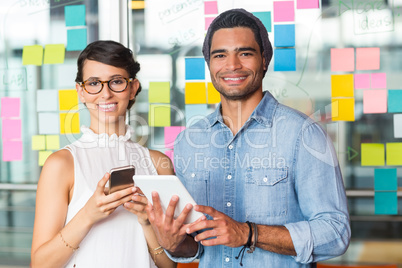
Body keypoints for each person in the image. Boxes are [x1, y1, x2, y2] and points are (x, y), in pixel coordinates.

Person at [146, 9, 351, 267]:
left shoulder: (303, 134)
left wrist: (249, 233)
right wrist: (172, 241)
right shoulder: (189, 142)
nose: (232, 65)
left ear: (264, 60)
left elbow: (336, 234)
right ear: (209, 65)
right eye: (220, 55)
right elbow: (194, 247)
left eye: (245, 53)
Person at [31, 40, 176, 268]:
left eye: (116, 82)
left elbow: (169, 265)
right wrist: (88, 214)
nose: (105, 93)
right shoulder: (62, 163)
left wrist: (147, 221)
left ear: (133, 88)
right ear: (81, 91)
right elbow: (40, 264)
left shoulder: (158, 163)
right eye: (94, 83)